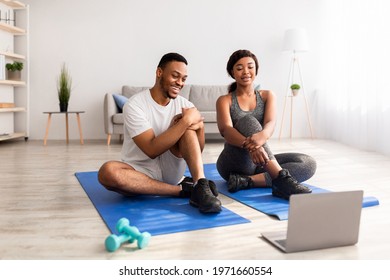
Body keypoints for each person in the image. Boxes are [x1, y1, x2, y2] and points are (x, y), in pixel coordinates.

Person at [98, 52, 221, 213]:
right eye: (175, 76)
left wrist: (199, 127)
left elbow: (198, 150)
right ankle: (184, 190)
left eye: (183, 79)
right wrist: (185, 122)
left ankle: (200, 184)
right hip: (139, 172)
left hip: (172, 169)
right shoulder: (135, 105)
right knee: (107, 172)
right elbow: (151, 150)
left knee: (188, 130)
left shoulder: (186, 105)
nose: (180, 83)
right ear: (159, 73)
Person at [216, 49, 316, 200]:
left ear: (256, 69)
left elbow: (270, 123)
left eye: (250, 66)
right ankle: (281, 180)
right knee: (248, 120)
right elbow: (226, 130)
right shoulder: (225, 100)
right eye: (239, 68)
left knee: (308, 163)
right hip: (233, 163)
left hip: (260, 161)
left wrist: (262, 136)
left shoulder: (268, 95)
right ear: (232, 72)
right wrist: (251, 145)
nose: (246, 71)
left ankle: (247, 181)